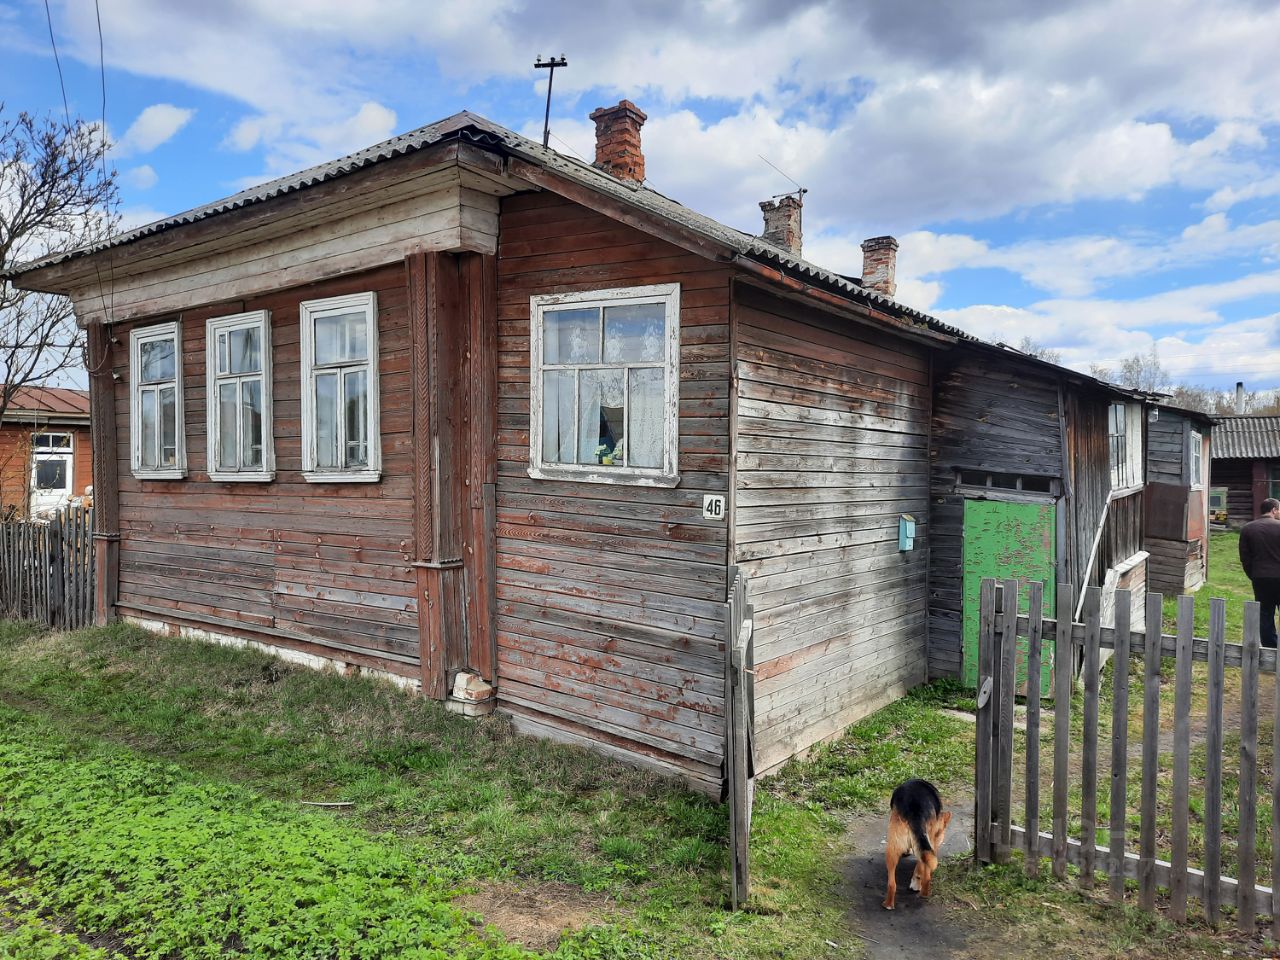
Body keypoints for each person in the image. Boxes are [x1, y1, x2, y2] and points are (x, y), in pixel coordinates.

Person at [1239, 497, 1280, 648]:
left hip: (1261, 577)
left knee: (1265, 614)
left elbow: (1245, 557)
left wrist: (1254, 574)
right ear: (1274, 510)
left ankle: (1270, 650)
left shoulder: (1248, 528)